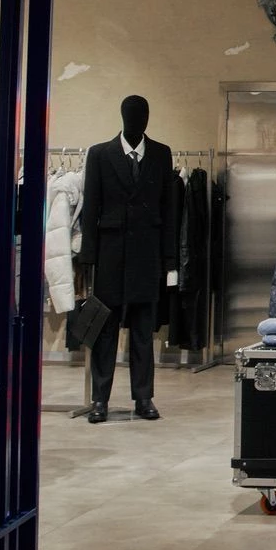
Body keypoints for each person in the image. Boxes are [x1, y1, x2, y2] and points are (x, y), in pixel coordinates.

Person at [78, 94, 178, 422]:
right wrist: (88, 256)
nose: (138, 121)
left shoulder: (161, 154)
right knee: (104, 331)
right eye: (133, 115)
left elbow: (169, 209)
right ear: (123, 117)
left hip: (146, 255)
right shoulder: (99, 154)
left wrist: (169, 258)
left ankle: (144, 397)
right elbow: (91, 206)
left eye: (143, 115)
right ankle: (100, 399)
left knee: (143, 331)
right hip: (110, 254)